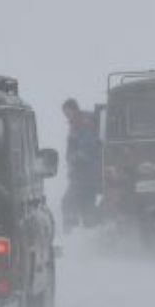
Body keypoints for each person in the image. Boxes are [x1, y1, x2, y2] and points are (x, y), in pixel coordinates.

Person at [61, 98, 101, 232]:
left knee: (68, 201)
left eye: (67, 112)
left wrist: (76, 158)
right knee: (86, 203)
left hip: (84, 171)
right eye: (64, 113)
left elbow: (87, 144)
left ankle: (71, 232)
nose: (66, 115)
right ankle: (92, 230)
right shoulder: (78, 123)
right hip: (85, 171)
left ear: (74, 109)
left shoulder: (83, 123)